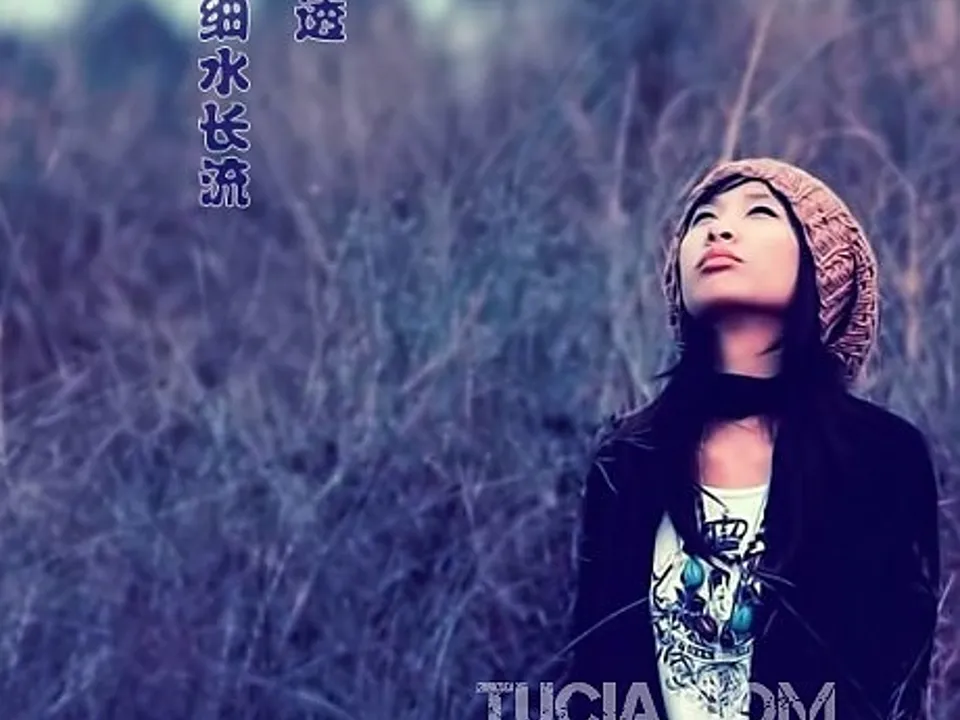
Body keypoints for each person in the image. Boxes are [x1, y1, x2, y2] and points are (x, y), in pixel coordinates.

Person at [561, 158, 941, 720]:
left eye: (759, 212)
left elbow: (894, 677)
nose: (718, 230)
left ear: (823, 267)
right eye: (702, 219)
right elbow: (592, 675)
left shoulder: (880, 456)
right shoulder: (629, 458)